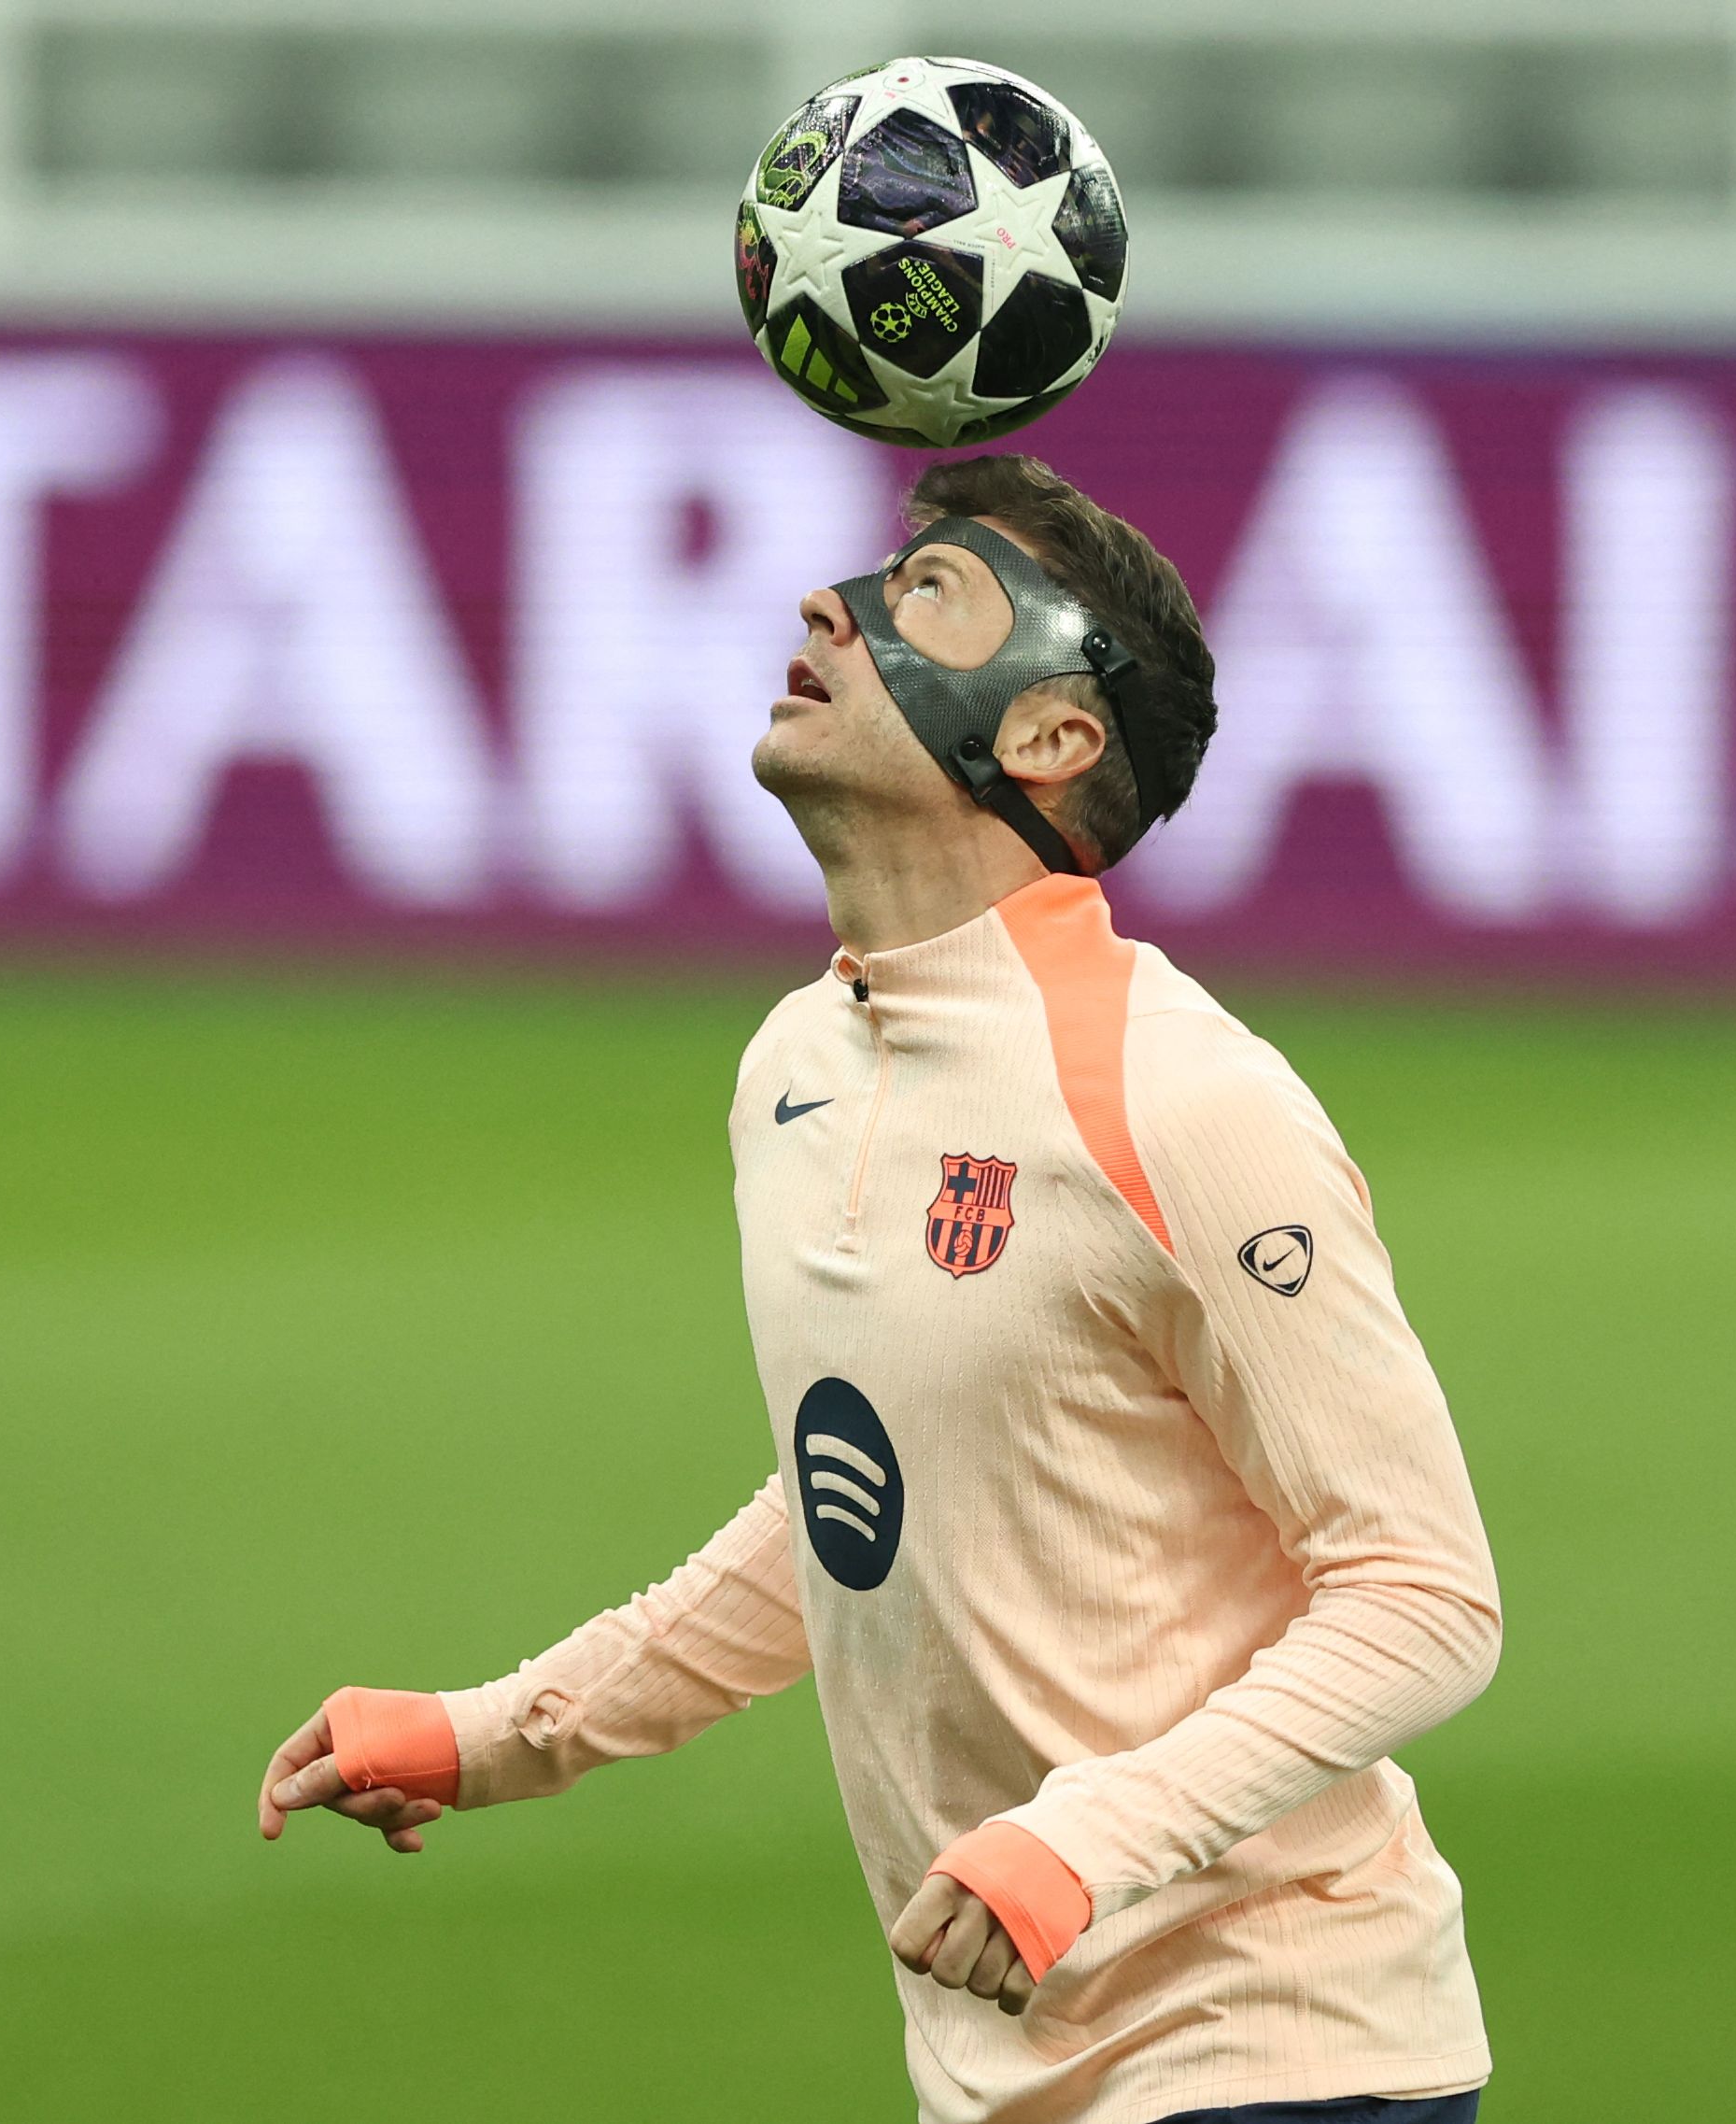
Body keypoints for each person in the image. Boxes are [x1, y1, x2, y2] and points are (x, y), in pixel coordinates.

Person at [256, 453, 1503, 2124]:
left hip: (1282, 2049)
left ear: (1053, 733)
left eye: (930, 595)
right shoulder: (795, 1066)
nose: (829, 604)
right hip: (1002, 2069)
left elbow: (1423, 1594)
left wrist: (1081, 1841)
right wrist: (503, 1732)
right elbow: (858, 1505)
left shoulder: (1187, 1103)